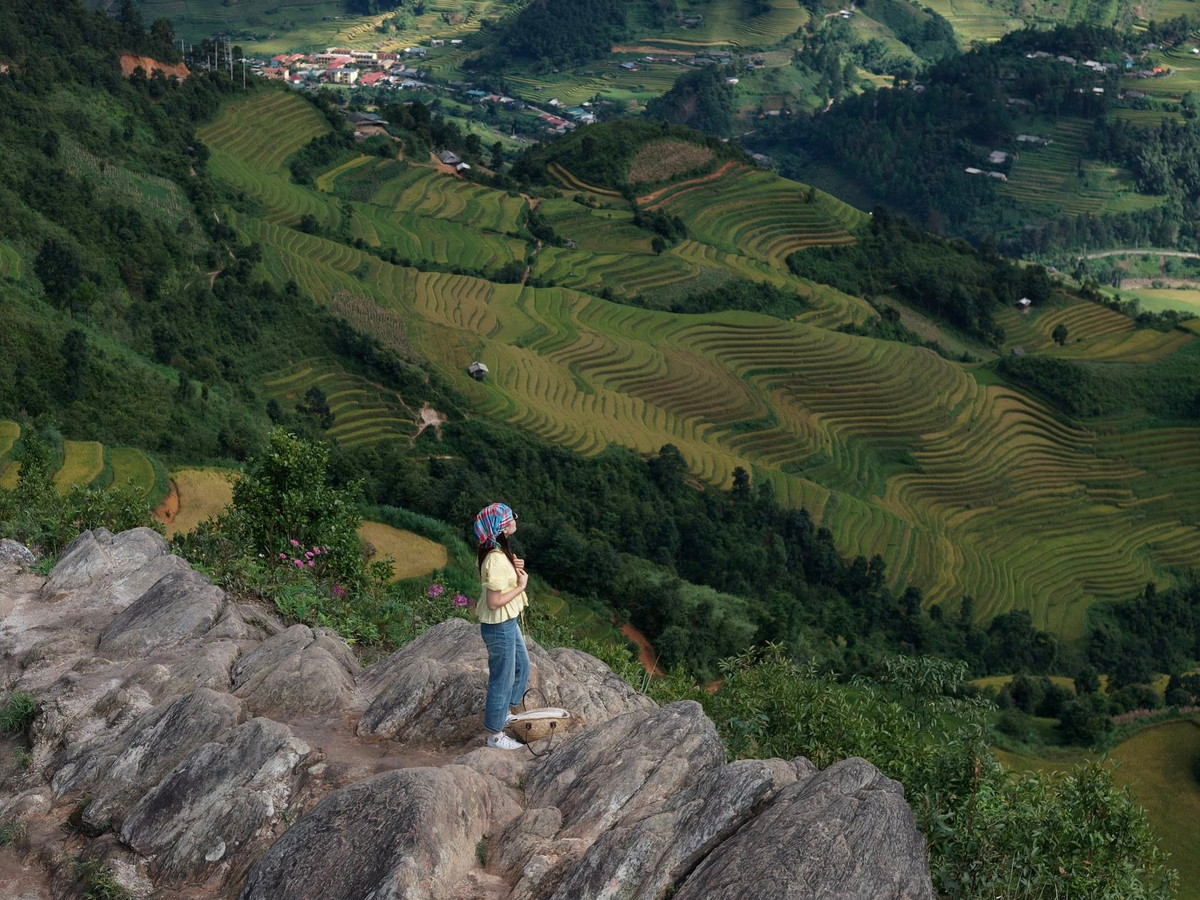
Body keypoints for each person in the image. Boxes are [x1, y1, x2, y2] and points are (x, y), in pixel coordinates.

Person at [473, 502, 530, 751]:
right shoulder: (494, 558)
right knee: (502, 678)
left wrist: (515, 571)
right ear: (501, 527)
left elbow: (496, 583)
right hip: (499, 625)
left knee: (522, 665)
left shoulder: (497, 550)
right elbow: (494, 601)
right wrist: (520, 586)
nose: (515, 520)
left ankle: (504, 711)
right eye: (511, 517)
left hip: (508, 621)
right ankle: (495, 736)